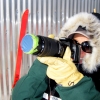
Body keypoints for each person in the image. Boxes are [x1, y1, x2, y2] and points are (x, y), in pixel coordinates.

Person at [12, 12, 100, 100]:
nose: (78, 51)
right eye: (74, 44)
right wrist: (41, 67)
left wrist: (72, 82)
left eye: (86, 46)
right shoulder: (54, 72)